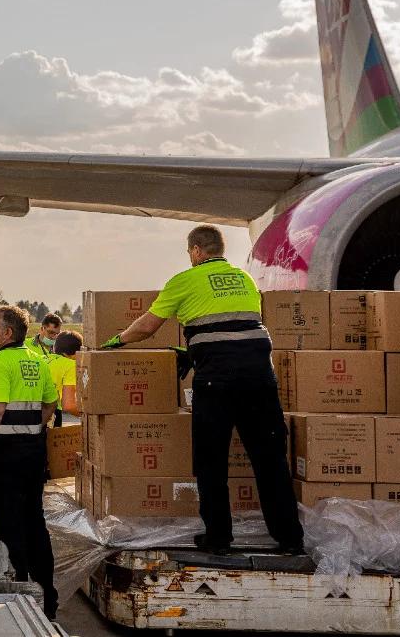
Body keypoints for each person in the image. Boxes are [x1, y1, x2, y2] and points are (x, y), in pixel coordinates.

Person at [101, 225, 303, 555]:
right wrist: (195, 350)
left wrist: (118, 340)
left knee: (211, 460)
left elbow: (148, 326)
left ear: (196, 251)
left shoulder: (184, 280)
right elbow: (235, 328)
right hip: (260, 378)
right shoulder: (245, 279)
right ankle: (290, 538)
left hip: (217, 380)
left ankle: (219, 538)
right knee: (270, 460)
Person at [0, 305, 59, 618]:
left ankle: (18, 590)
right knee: (34, 521)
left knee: (7, 524)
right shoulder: (37, 361)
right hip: (33, 453)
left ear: (7, 333)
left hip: (4, 456)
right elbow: (50, 404)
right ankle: (47, 596)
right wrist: (31, 431)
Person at [46, 331, 81, 428]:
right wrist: (89, 416)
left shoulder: (42, 358)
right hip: (49, 413)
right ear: (76, 353)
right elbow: (68, 405)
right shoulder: (70, 365)